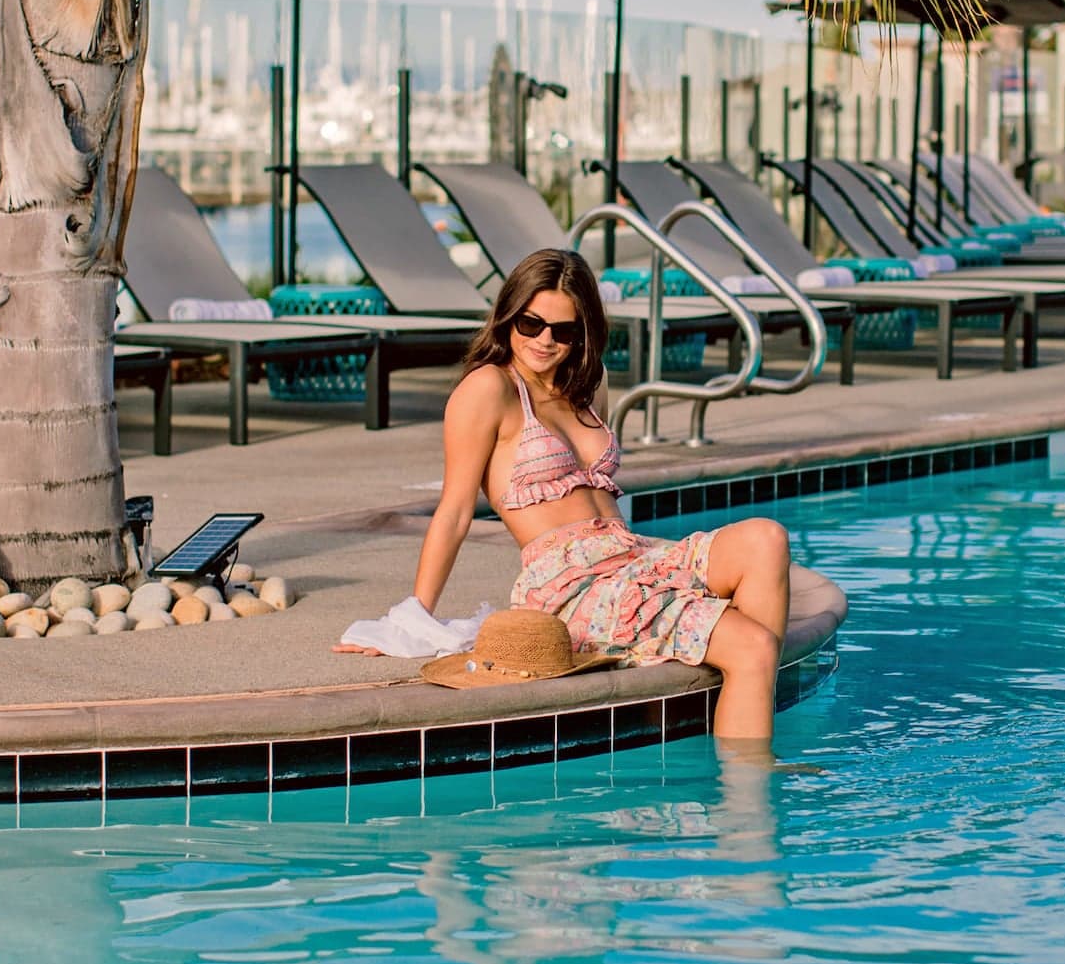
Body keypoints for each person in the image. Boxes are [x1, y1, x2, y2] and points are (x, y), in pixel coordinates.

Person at [339, 247, 794, 745]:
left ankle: (742, 705)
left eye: (563, 330)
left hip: (631, 558)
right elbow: (455, 511)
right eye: (531, 324)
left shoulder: (589, 384)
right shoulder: (490, 388)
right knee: (752, 646)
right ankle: (751, 780)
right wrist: (415, 614)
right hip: (571, 584)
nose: (545, 340)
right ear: (509, 316)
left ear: (583, 332)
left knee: (766, 538)